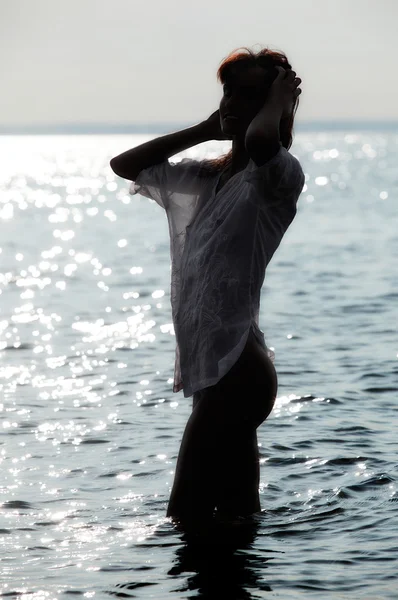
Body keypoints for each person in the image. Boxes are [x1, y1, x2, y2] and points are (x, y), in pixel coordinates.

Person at [110, 46, 304, 529]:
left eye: (251, 94)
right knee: (238, 522)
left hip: (238, 373)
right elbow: (125, 164)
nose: (235, 103)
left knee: (185, 518)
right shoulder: (205, 178)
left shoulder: (277, 175)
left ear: (275, 102)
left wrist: (277, 103)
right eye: (230, 92)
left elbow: (262, 143)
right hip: (213, 372)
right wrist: (205, 128)